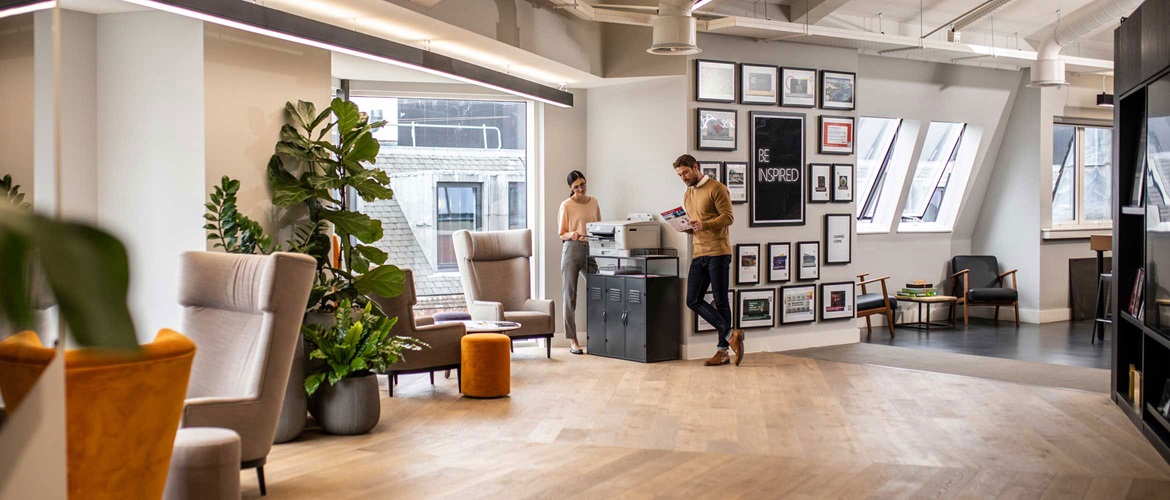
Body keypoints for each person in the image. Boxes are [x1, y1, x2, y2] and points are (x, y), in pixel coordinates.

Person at [674, 154, 744, 366]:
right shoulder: (687, 195)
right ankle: (731, 334)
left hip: (718, 252)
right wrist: (686, 227)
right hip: (699, 252)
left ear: (695, 167)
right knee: (692, 300)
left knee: (721, 300)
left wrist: (704, 225)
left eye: (685, 172)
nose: (683, 177)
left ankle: (722, 351)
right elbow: (694, 225)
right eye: (679, 175)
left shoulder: (717, 188)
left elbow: (728, 217)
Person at [558, 170, 601, 355]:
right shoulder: (566, 205)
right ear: (570, 188)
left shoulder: (594, 202)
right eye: (576, 187)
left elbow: (598, 226)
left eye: (582, 184)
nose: (580, 189)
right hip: (572, 249)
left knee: (600, 290)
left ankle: (600, 335)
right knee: (570, 295)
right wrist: (572, 234)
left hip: (590, 248)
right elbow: (561, 233)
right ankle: (573, 340)